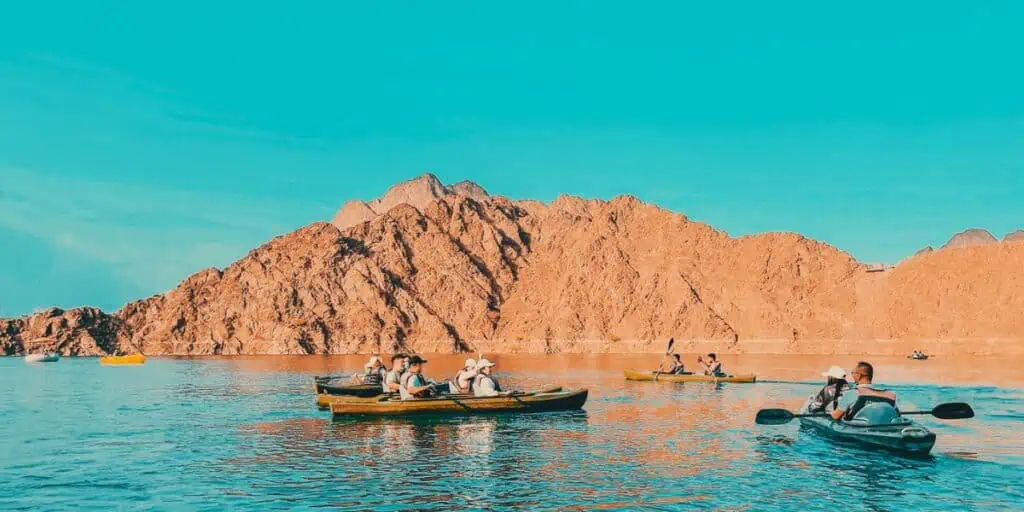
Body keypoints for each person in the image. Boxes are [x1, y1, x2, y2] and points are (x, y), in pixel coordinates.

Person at [831, 361, 897, 422]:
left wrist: (830, 412)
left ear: (858, 375)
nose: (852, 375)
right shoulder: (890, 394)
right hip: (885, 426)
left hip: (858, 428)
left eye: (853, 373)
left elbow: (835, 416)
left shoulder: (851, 393)